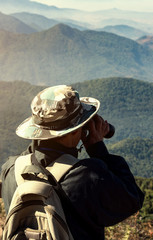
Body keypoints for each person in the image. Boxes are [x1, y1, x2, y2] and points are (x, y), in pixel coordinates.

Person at [1, 85, 144, 239]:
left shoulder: (11, 168)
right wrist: (98, 149)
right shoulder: (88, 176)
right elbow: (132, 198)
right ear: (76, 129)